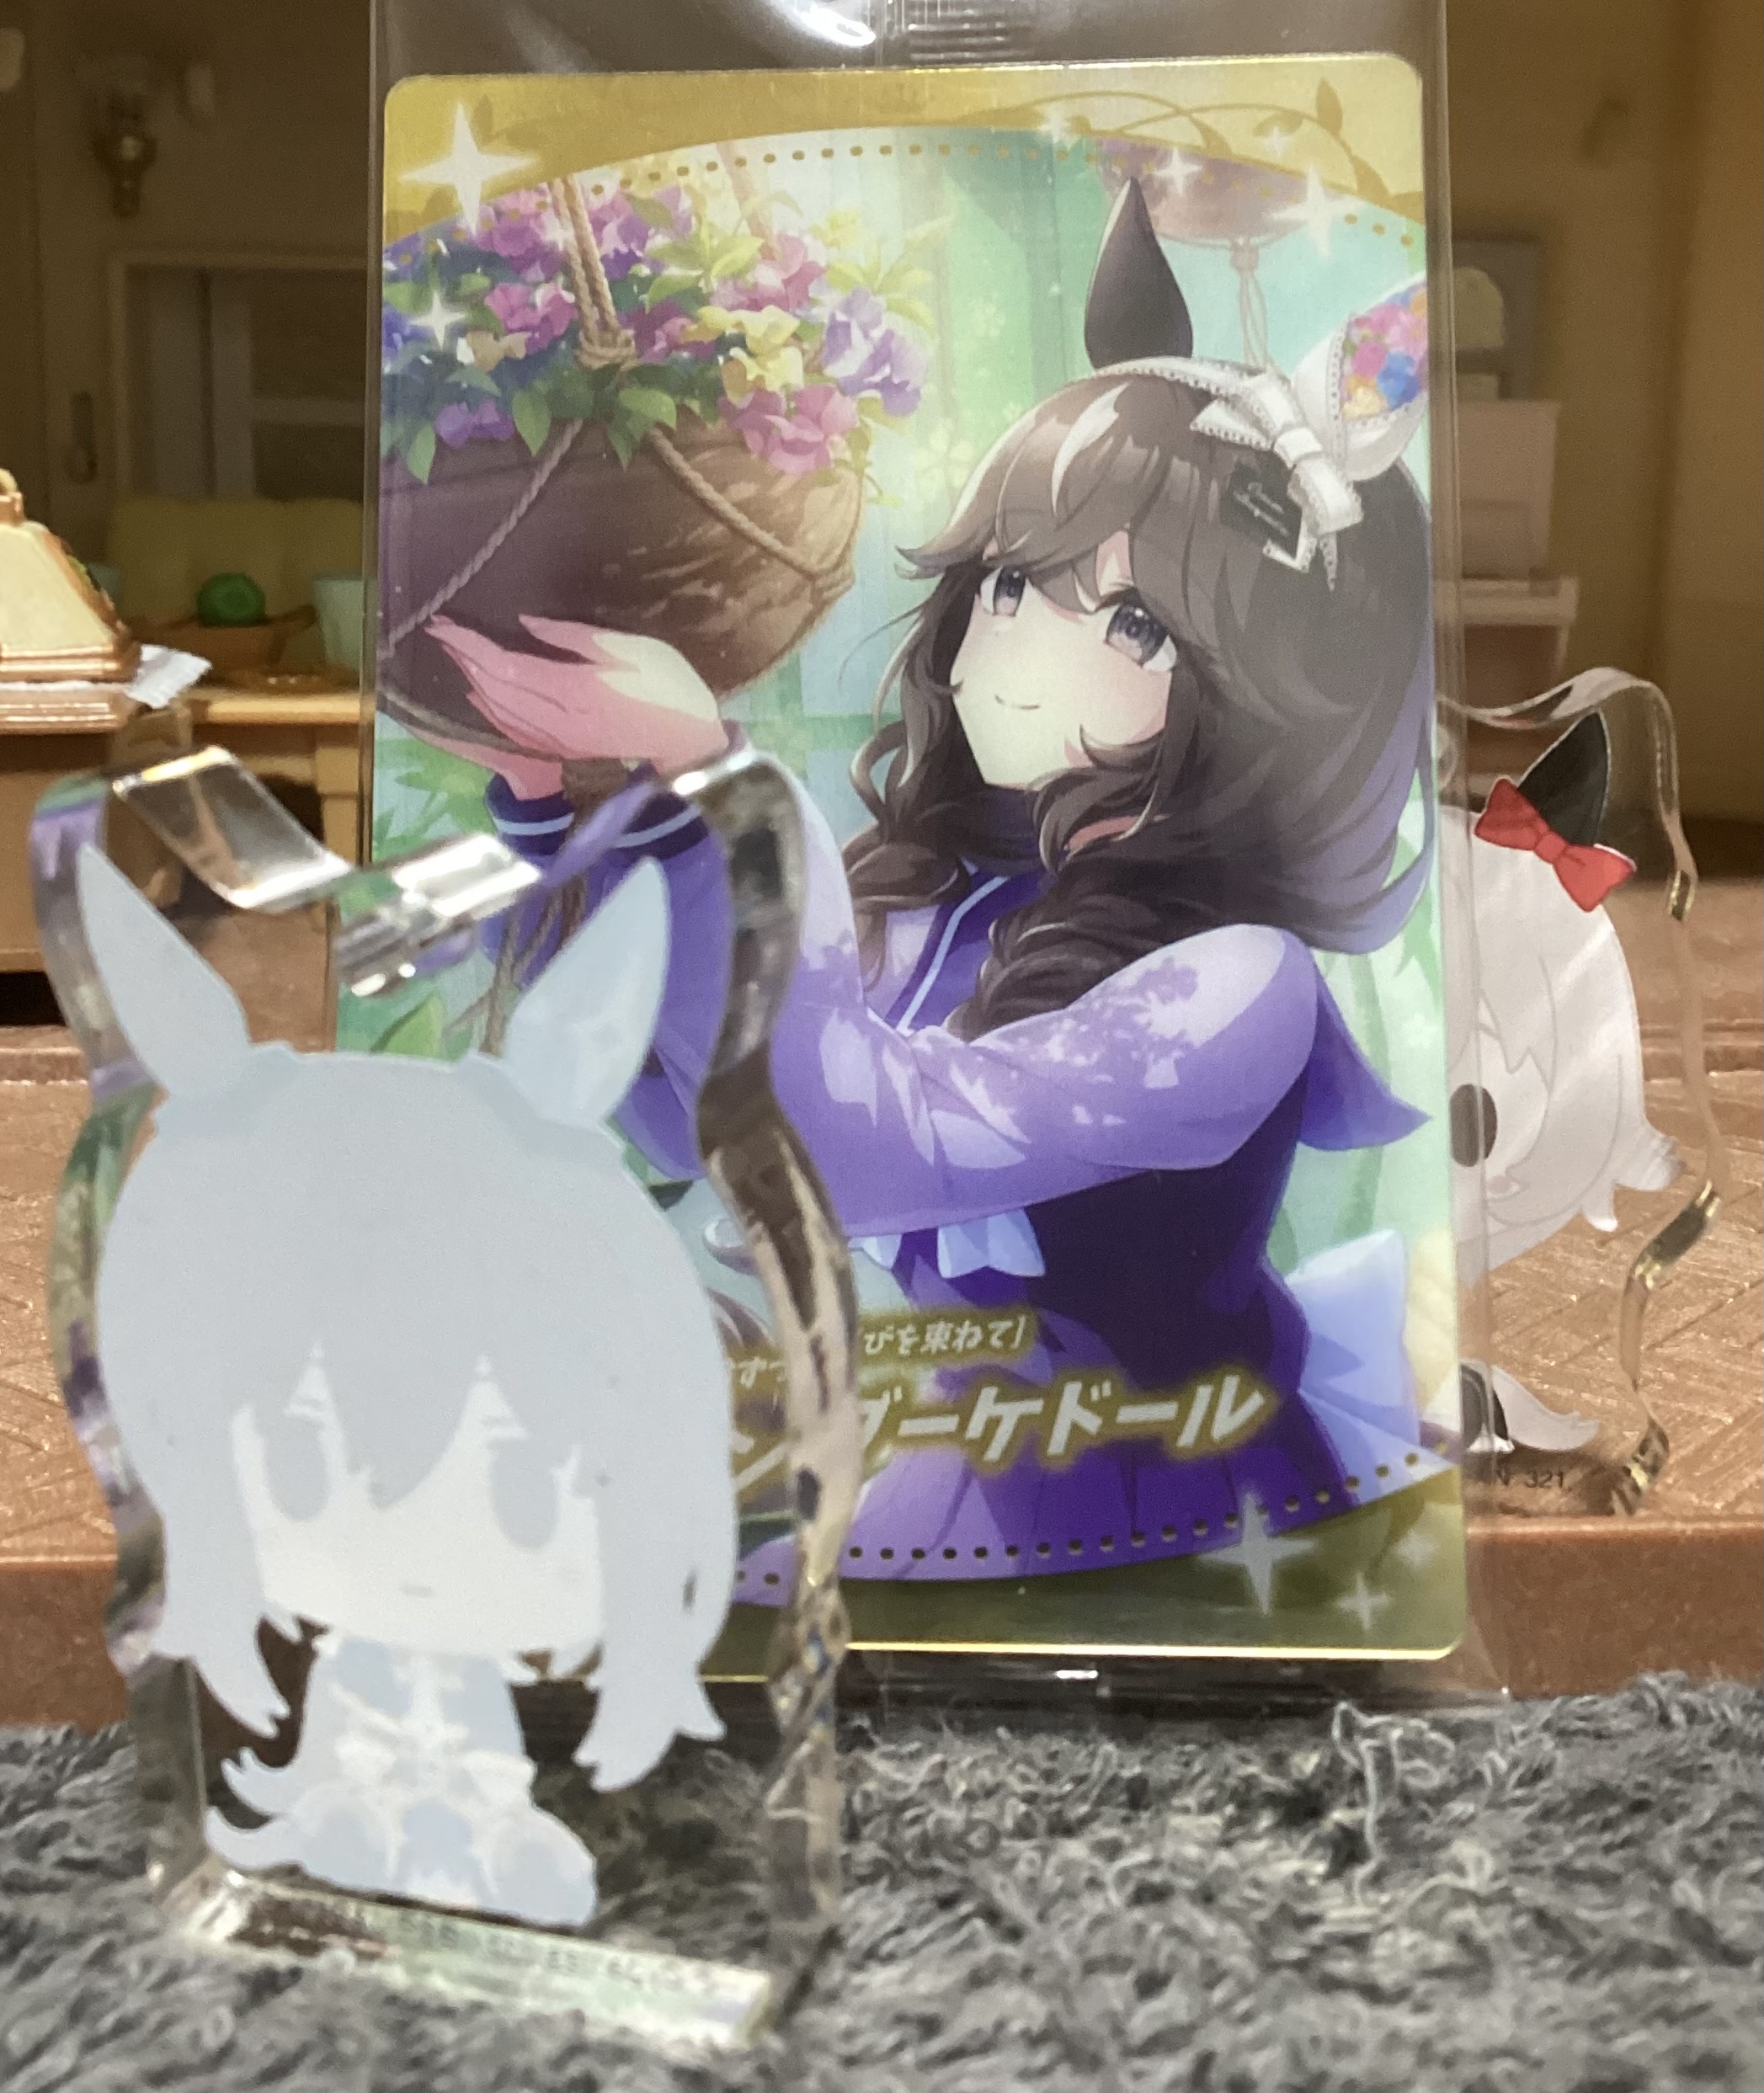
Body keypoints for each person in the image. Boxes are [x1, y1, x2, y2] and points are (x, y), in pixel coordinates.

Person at [424, 184, 1452, 1585]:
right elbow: (681, 1118)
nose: (1017, 643)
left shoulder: (1238, 987)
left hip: (1174, 1505)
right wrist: (556, 813)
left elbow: (855, 1150)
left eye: (1134, 622)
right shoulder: (952, 900)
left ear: (1276, 701)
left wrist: (722, 784)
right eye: (1012, 585)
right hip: (972, 1460)